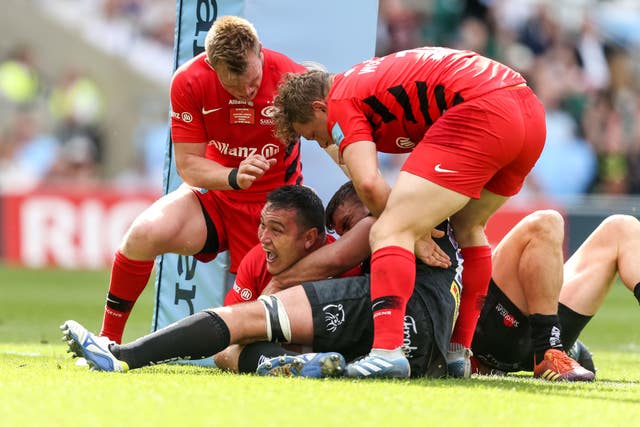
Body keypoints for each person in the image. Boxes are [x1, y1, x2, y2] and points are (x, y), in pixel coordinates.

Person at [272, 46, 546, 377]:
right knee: (469, 226)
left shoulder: (340, 101)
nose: (321, 141)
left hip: (484, 109)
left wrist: (411, 233)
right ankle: (458, 353)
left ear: (318, 107)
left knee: (387, 230)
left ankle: (387, 352)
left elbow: (370, 185)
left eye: (314, 134)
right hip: (528, 111)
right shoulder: (364, 79)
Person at [61, 185, 462, 379]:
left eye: (276, 230)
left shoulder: (366, 247)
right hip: (415, 348)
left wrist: (270, 299)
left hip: (401, 328)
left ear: (311, 238)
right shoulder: (258, 259)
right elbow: (224, 353)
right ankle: (282, 365)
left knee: (247, 320)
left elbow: (341, 254)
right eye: (261, 227)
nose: (263, 239)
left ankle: (120, 355)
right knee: (243, 333)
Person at [98, 16, 309, 344]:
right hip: (217, 196)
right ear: (212, 65)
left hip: (276, 208)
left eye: (252, 82)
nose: (247, 92)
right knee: (143, 233)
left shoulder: (291, 77)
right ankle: (106, 341)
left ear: (260, 53)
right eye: (235, 86)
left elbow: (329, 132)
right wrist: (233, 176)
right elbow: (188, 165)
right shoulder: (188, 81)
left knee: (250, 334)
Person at [471, 212, 640, 380]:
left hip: (537, 333)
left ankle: (552, 349)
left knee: (622, 227)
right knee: (546, 223)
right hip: (480, 333)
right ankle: (549, 349)